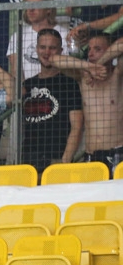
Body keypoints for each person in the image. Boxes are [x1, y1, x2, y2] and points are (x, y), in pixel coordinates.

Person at [51, 33, 123, 173]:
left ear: (109, 50)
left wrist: (100, 62)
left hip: (117, 153)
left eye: (97, 49)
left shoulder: (118, 74)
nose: (91, 53)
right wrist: (89, 67)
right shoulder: (83, 78)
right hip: (91, 155)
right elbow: (54, 60)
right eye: (89, 49)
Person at [21, 28, 84, 173]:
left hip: (56, 159)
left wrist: (65, 161)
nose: (47, 52)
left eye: (52, 48)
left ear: (61, 51)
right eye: (42, 47)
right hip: (27, 160)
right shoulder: (27, 85)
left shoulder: (69, 83)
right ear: (36, 49)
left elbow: (77, 126)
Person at [7, 0, 70, 79]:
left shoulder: (64, 34)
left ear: (48, 8)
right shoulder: (17, 36)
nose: (31, 9)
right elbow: (16, 73)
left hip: (56, 87)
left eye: (36, 4)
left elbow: (66, 68)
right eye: (28, 4)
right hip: (28, 90)